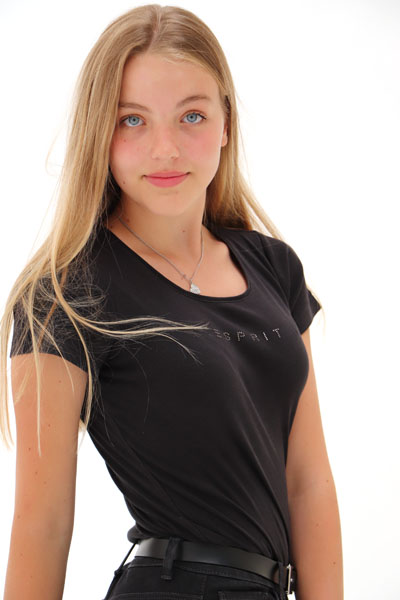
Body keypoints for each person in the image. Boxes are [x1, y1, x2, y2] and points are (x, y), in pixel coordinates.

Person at [0, 4, 343, 600]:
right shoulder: (68, 294)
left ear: (226, 124)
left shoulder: (273, 268)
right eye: (132, 119)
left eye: (191, 116)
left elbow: (308, 479)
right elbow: (43, 523)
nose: (166, 149)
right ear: (99, 131)